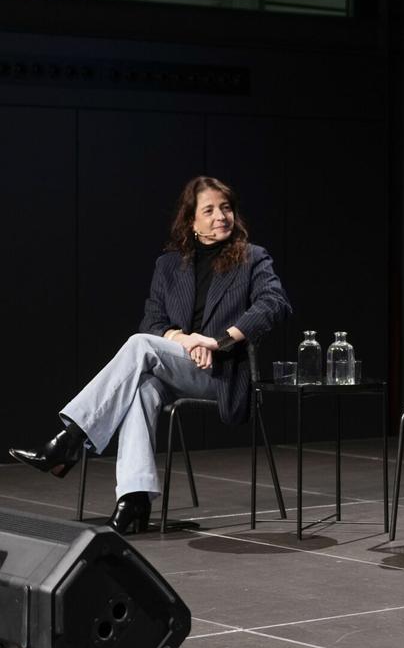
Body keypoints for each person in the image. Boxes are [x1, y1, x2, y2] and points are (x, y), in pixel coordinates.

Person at [9, 176, 292, 534]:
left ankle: (69, 440)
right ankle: (135, 501)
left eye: (226, 208)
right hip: (178, 364)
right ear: (191, 221)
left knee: (139, 345)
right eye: (209, 210)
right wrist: (187, 340)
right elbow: (153, 319)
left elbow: (275, 304)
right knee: (141, 389)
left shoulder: (253, 258)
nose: (221, 216)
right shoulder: (169, 266)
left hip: (221, 373)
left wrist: (217, 342)